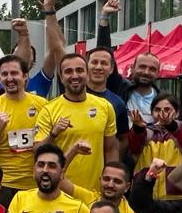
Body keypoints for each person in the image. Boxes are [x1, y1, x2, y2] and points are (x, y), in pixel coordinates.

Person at [34, 51, 119, 192]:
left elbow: (110, 149)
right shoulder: (49, 110)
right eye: (68, 71)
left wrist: (112, 182)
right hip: (60, 191)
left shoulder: (105, 106)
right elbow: (37, 152)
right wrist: (53, 134)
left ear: (87, 73)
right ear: (61, 77)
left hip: (95, 191)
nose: (74, 75)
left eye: (79, 70)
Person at [0, 53, 48, 201]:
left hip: (35, 183)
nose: (9, 78)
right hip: (4, 185)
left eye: (14, 73)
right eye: (4, 74)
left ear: (25, 76)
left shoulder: (42, 105)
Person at [127, 95, 182, 201]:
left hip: (177, 196)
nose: (162, 114)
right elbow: (134, 146)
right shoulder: (144, 131)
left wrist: (171, 125)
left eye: (167, 110)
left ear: (177, 113)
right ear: (151, 113)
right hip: (145, 194)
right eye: (157, 110)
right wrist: (137, 128)